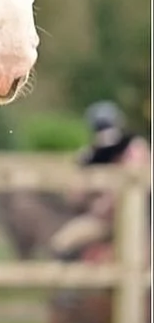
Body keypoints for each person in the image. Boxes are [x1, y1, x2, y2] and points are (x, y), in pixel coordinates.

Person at [48, 101, 150, 259]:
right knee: (61, 244)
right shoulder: (90, 153)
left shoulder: (133, 148)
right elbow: (75, 195)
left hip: (138, 218)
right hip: (105, 220)